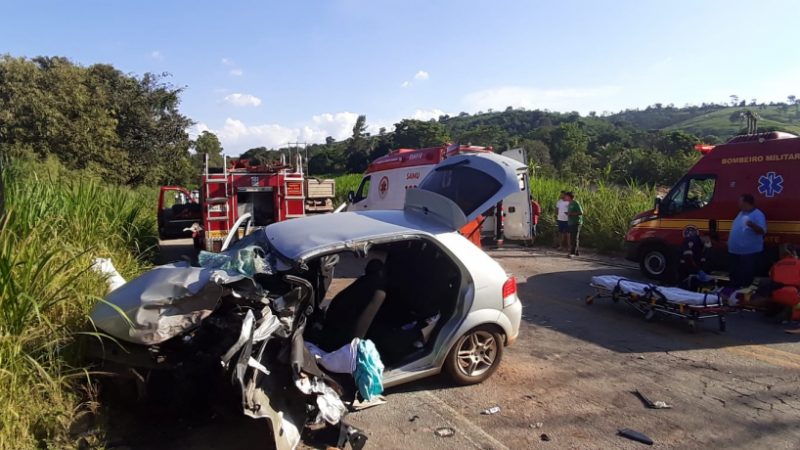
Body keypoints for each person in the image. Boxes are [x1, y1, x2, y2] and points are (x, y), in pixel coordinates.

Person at [728, 194, 767, 288]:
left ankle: (744, 295)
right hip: (735, 252)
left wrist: (752, 225)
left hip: (748, 253)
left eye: (740, 202)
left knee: (746, 277)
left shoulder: (758, 214)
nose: (738, 204)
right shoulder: (741, 213)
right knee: (734, 276)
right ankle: (734, 294)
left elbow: (762, 231)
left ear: (746, 203)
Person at [565, 191, 583, 257]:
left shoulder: (575, 203)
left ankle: (573, 252)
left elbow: (581, 212)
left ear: (569, 197)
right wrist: (568, 214)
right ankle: (576, 252)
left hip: (576, 222)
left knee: (574, 237)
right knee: (572, 237)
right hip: (571, 222)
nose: (565, 197)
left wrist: (571, 214)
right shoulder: (569, 203)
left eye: (566, 196)